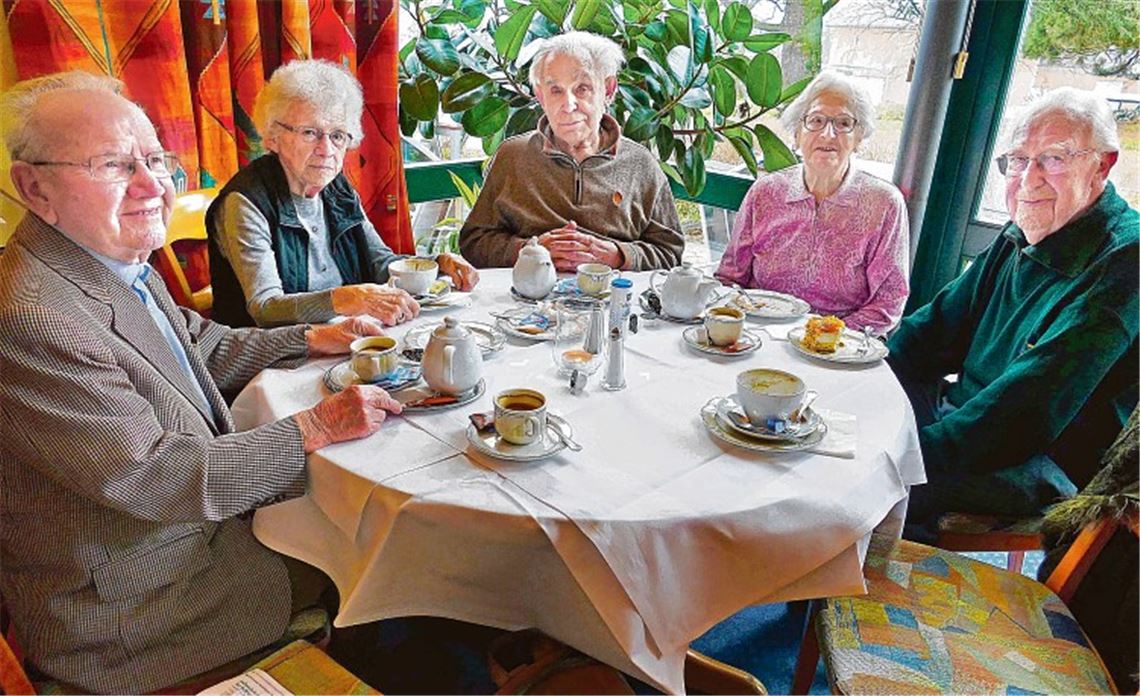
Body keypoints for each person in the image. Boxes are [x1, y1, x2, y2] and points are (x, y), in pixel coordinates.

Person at [0, 72, 407, 692]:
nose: (149, 186)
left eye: (155, 160)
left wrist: (307, 336)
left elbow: (199, 343)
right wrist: (318, 424)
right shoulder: (31, 314)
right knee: (380, 564)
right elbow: (153, 477)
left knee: (369, 530)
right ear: (34, 188)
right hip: (138, 608)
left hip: (185, 537)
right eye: (113, 165)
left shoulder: (107, 259)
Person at [887, 87, 1138, 539]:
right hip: (964, 424)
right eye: (1018, 160)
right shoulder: (1025, 229)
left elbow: (1027, 410)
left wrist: (902, 454)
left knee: (875, 485)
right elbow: (930, 334)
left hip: (1041, 463)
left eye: (1053, 158)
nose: (1028, 180)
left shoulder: (1126, 259)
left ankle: (843, 589)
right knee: (847, 427)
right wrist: (858, 382)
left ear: (1102, 164)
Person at [208, 59, 480, 328]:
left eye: (338, 135)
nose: (326, 150)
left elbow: (380, 262)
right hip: (279, 355)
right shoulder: (246, 203)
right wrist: (344, 299)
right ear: (273, 137)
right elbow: (265, 308)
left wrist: (436, 264)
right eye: (310, 132)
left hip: (346, 335)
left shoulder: (337, 188)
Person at [459, 31, 684, 273]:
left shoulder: (640, 164)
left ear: (608, 89)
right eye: (556, 90)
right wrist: (529, 250)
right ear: (540, 96)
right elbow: (473, 243)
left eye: (582, 88)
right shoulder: (513, 156)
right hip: (525, 301)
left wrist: (619, 256)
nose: (568, 105)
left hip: (612, 301)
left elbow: (670, 251)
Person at [715, 71, 909, 333]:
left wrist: (821, 336)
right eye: (815, 120)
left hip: (838, 346)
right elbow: (729, 279)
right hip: (758, 334)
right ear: (797, 134)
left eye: (843, 123)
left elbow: (888, 302)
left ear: (859, 138)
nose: (828, 135)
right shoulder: (765, 193)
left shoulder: (883, 203)